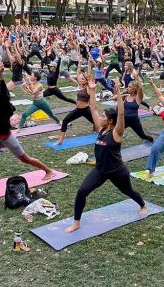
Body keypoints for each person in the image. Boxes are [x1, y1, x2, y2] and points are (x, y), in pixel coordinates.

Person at [66, 79, 148, 234]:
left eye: (104, 116)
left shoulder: (117, 133)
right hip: (100, 170)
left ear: (110, 121)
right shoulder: (100, 129)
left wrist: (118, 92)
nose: (100, 117)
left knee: (129, 191)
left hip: (117, 170)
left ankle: (143, 205)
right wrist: (91, 91)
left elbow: (121, 114)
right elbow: (94, 108)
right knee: (82, 192)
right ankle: (76, 222)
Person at [0, 63, 55, 194]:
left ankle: (48, 171)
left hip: (7, 138)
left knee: (26, 159)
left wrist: (0, 76)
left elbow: (3, 91)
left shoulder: (6, 108)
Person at [55, 71, 96, 146]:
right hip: (78, 110)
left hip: (86, 110)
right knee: (65, 121)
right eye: (80, 79)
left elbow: (90, 80)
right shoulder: (80, 86)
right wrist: (79, 63)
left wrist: (90, 79)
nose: (80, 80)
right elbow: (78, 74)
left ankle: (112, 132)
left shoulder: (89, 88)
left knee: (98, 123)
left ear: (86, 80)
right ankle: (61, 140)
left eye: (83, 79)